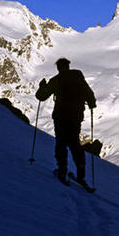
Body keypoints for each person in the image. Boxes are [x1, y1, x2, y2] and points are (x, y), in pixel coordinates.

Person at [35, 58, 96, 186]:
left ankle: (62, 171)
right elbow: (90, 95)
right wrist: (90, 104)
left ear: (58, 68)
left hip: (61, 117)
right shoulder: (79, 78)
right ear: (68, 66)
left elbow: (42, 96)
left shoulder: (57, 80)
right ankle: (81, 175)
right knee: (75, 144)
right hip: (76, 117)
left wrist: (42, 87)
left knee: (61, 143)